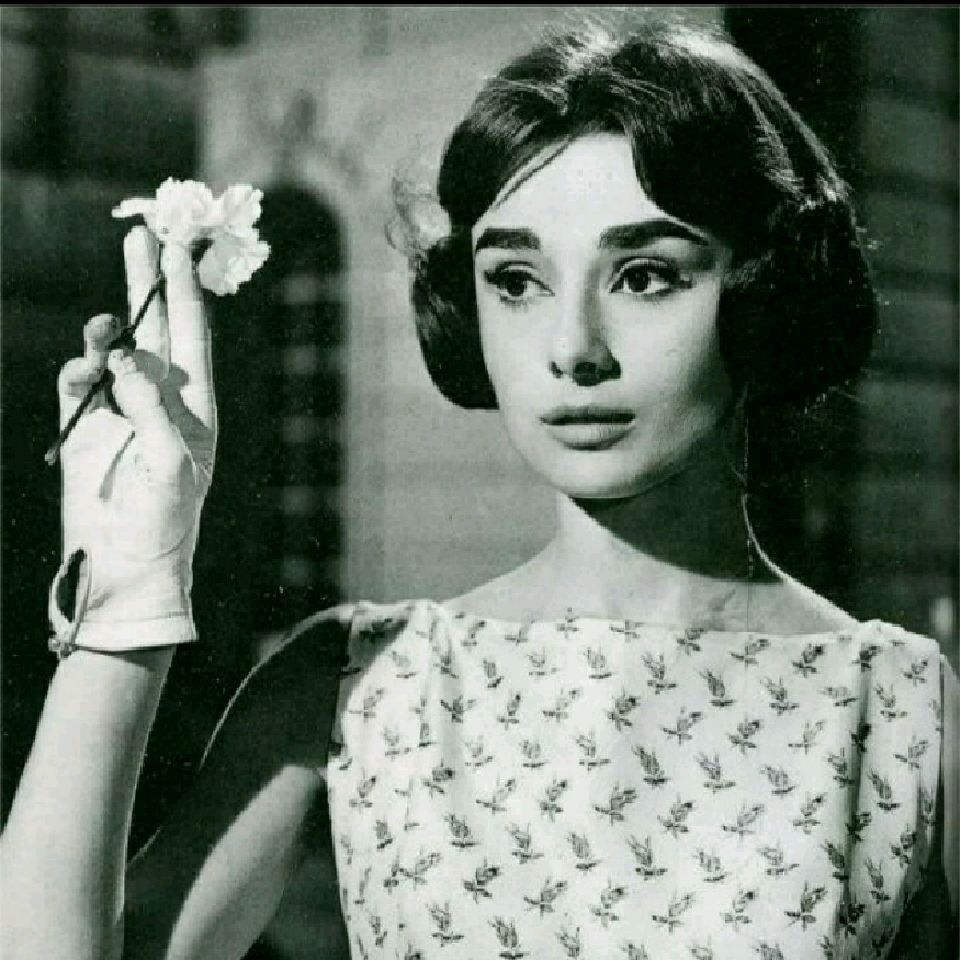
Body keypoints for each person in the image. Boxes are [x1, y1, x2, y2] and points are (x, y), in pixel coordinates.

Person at [1, 19, 957, 960]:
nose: (573, 350)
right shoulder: (356, 682)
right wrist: (126, 594)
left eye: (643, 275)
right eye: (517, 280)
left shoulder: (903, 710)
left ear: (763, 292)